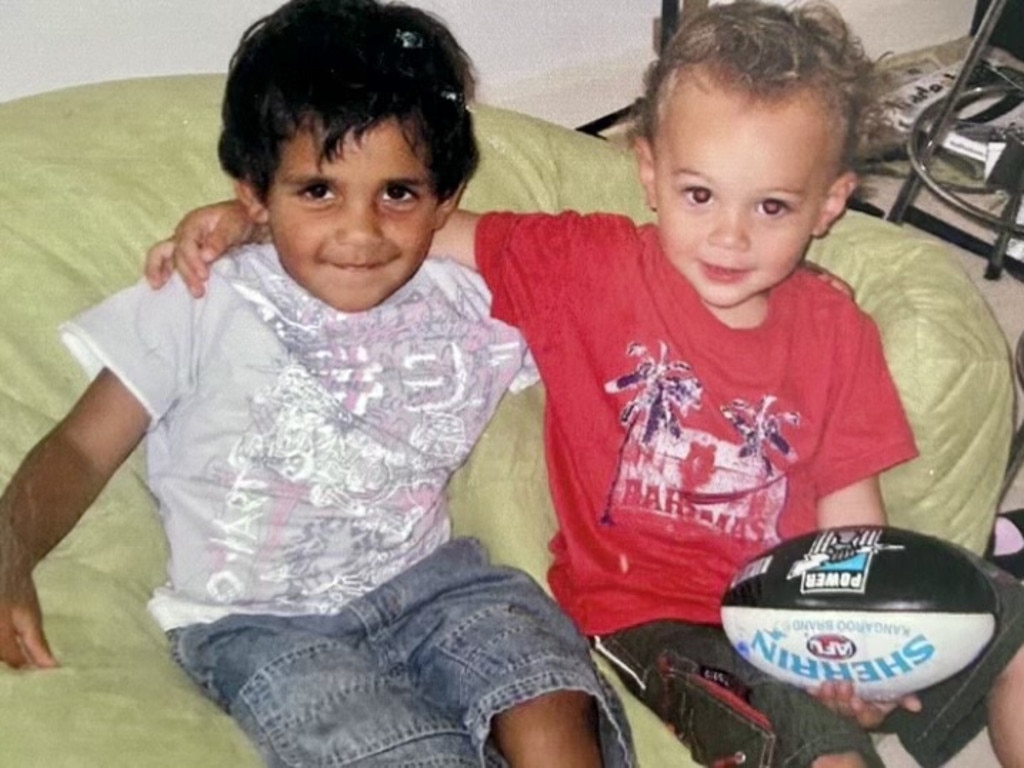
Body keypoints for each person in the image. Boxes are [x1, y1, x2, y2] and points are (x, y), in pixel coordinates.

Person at [145, 2, 1024, 767]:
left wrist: (855, 644)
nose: (728, 238)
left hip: (791, 599)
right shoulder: (584, 269)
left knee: (1011, 620)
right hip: (663, 618)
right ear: (647, 173)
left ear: (830, 206)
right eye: (699, 195)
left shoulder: (838, 329)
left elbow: (849, 516)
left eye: (772, 207)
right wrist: (252, 218)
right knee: (820, 749)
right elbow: (404, 234)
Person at [0, 1, 636, 766]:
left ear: (446, 199)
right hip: (263, 624)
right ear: (253, 190)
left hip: (440, 586)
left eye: (397, 193)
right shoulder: (203, 296)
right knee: (404, 751)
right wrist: (10, 550)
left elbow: (625, 286)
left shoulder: (475, 295)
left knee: (544, 687)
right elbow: (79, 447)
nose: (360, 233)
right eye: (318, 192)